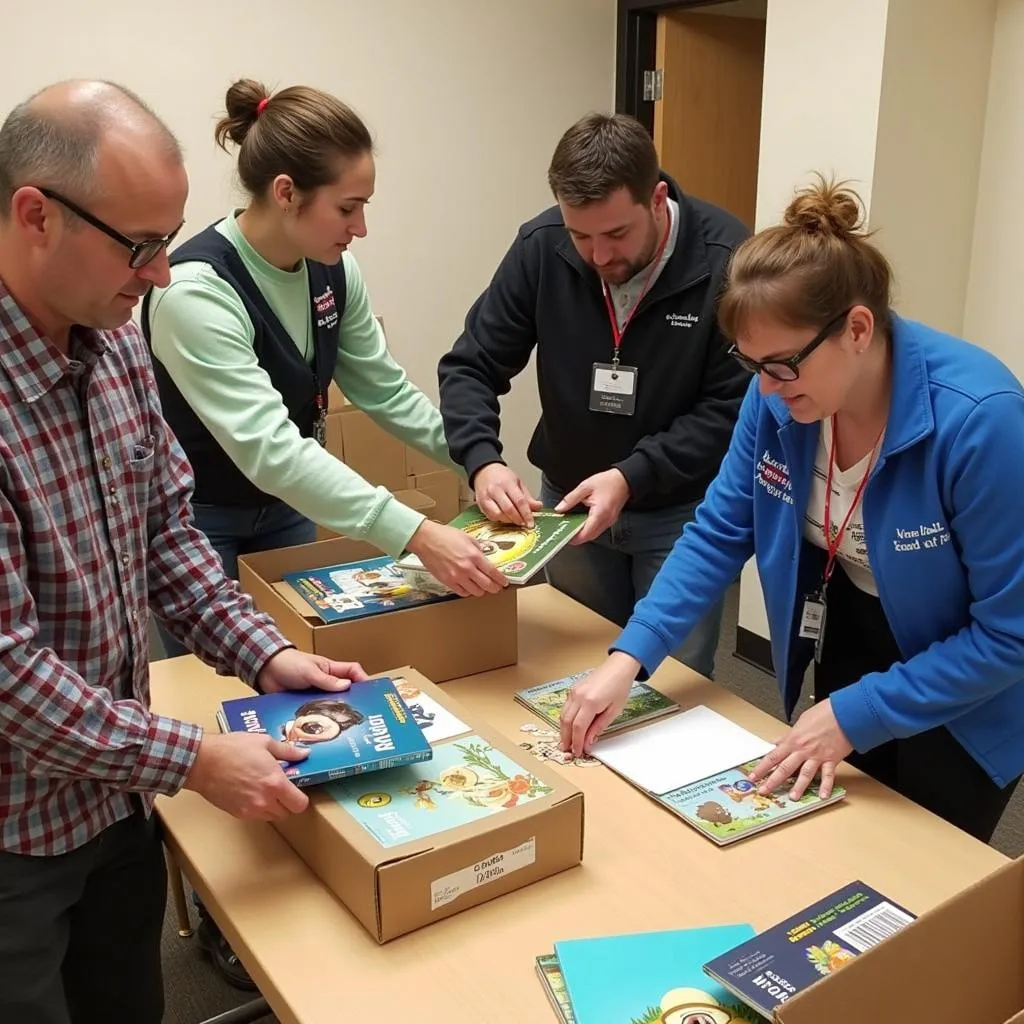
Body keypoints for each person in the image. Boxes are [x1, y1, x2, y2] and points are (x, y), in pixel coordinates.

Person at [0, 80, 370, 1024]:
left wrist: (267, 653)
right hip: (16, 833)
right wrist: (197, 759)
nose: (163, 274)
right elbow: (11, 678)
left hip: (119, 798)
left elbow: (170, 536)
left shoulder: (117, 341)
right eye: (142, 246)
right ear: (35, 215)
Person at [560, 177, 1024, 843]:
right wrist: (627, 657)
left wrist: (857, 713)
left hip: (969, 677)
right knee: (839, 840)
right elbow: (720, 530)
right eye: (751, 367)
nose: (767, 392)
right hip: (855, 627)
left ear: (857, 329)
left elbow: (1010, 634)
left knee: (924, 869)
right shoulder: (776, 393)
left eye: (781, 367)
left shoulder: (983, 421)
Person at [144, 78, 506, 661]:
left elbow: (384, 390)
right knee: (214, 686)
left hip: (286, 510)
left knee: (299, 671)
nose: (359, 227)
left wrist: (479, 458)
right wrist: (414, 534)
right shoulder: (195, 293)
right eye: (347, 207)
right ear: (287, 192)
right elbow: (272, 449)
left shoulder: (334, 269)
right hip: (200, 523)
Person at [438, 112, 750, 679]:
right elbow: (471, 364)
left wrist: (632, 473)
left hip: (682, 514)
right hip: (569, 508)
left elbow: (732, 410)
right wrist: (482, 462)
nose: (598, 256)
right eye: (581, 235)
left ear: (657, 199)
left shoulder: (726, 258)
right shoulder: (542, 245)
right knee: (579, 670)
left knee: (670, 682)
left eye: (616, 235)